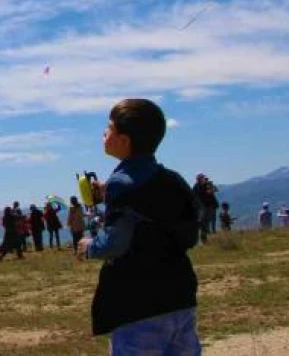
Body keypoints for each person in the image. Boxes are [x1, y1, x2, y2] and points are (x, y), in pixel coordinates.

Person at [78, 99, 201, 354]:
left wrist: (89, 246)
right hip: (180, 294)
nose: (104, 132)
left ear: (123, 141)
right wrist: (110, 192)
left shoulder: (122, 185)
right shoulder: (171, 179)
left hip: (139, 301)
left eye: (109, 128)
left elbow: (115, 243)